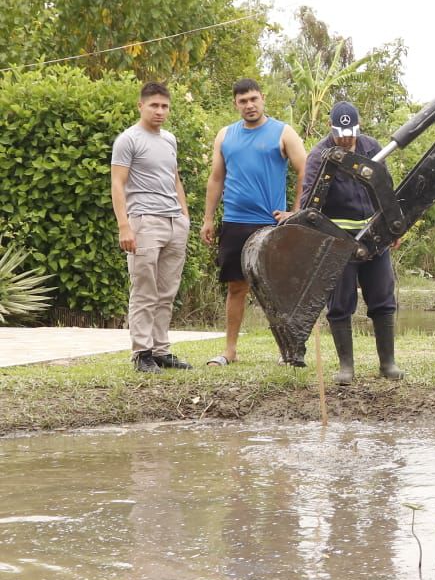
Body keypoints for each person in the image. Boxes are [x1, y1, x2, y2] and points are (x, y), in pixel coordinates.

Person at [200, 79, 307, 366]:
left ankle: (290, 352)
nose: (249, 105)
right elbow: (216, 178)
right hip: (234, 222)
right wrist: (208, 218)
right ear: (235, 104)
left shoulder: (283, 132)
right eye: (243, 101)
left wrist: (295, 212)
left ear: (263, 98)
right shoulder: (225, 135)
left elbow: (305, 170)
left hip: (270, 224)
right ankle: (229, 351)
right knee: (236, 287)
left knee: (278, 290)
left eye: (253, 99)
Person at [300, 101, 403, 383]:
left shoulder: (372, 147)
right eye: (341, 133)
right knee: (340, 302)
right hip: (338, 239)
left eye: (351, 132)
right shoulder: (319, 156)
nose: (347, 138)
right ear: (331, 129)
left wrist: (393, 227)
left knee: (382, 296)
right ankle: (346, 366)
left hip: (374, 236)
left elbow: (386, 188)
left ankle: (388, 363)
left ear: (359, 127)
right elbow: (308, 202)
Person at [110, 82, 192, 373]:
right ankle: (141, 353)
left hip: (174, 223)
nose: (160, 111)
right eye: (154, 105)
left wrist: (184, 216)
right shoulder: (128, 140)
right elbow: (117, 183)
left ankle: (161, 350)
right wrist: (124, 226)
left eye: (164, 106)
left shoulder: (169, 139)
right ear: (140, 106)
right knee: (145, 289)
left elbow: (174, 178)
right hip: (144, 221)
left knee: (167, 290)